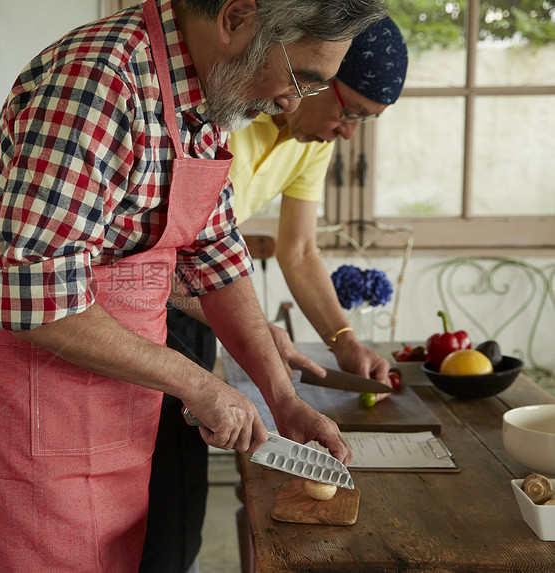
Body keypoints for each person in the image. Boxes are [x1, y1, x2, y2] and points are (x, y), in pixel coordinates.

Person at [0, 0, 386, 570]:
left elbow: (216, 257)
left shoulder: (207, 99)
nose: (290, 102)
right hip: (35, 409)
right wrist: (201, 385)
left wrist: (282, 398)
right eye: (300, 78)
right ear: (236, 18)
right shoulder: (97, 80)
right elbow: (41, 295)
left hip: (116, 407)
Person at [141, 15, 408, 573]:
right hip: (136, 309)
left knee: (179, 502)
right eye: (349, 110)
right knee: (149, 505)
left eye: (366, 121)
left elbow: (299, 251)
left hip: (192, 313)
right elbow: (144, 261)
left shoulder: (312, 140)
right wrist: (254, 329)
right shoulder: (234, 108)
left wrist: (343, 342)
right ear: (313, 71)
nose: (349, 131)